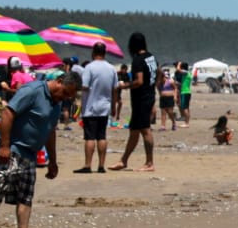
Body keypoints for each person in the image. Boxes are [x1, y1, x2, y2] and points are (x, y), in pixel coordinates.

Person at [0, 71, 81, 228]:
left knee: (26, 195)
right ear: (59, 81)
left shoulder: (56, 104)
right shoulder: (32, 90)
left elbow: (50, 132)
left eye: (68, 96)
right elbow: (8, 113)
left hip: (30, 152)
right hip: (11, 147)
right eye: (64, 92)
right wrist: (5, 146)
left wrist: (53, 161)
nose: (64, 98)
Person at [111, 32, 157, 171]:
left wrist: (124, 85)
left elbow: (139, 81)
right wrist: (153, 86)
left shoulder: (138, 60)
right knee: (134, 130)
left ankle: (149, 163)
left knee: (145, 129)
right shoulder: (151, 57)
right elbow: (159, 73)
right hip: (148, 96)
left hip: (142, 99)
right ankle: (123, 160)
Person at [76, 42, 118, 173]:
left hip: (90, 107)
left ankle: (88, 165)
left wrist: (75, 87)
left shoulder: (89, 67)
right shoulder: (111, 68)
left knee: (89, 137)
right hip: (105, 107)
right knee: (101, 136)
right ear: (105, 53)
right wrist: (114, 106)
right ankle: (101, 166)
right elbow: (115, 89)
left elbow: (85, 86)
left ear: (93, 52)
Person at [157, 66, 178, 131]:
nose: (161, 80)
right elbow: (159, 89)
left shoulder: (170, 81)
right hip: (163, 98)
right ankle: (163, 126)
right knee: (163, 112)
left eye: (161, 78)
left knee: (170, 112)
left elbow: (175, 88)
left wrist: (175, 96)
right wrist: (161, 94)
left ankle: (174, 123)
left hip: (170, 98)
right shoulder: (159, 83)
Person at [176, 61, 193, 126]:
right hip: (187, 91)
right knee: (187, 107)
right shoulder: (189, 73)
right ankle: (187, 121)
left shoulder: (186, 72)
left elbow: (178, 69)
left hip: (184, 92)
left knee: (184, 108)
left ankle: (186, 123)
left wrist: (179, 64)